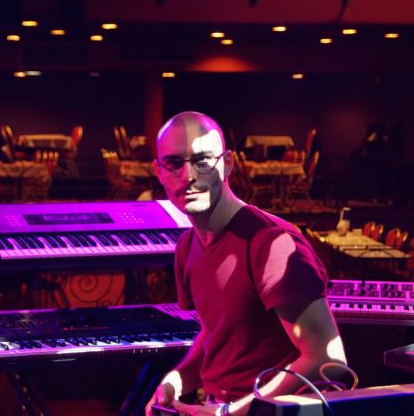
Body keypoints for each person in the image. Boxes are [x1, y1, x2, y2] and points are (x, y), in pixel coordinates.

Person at [145, 111, 346, 416]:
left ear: (227, 164)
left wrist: (232, 412)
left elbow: (327, 360)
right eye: (173, 163)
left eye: (202, 160)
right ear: (158, 171)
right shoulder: (187, 246)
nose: (188, 176)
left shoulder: (273, 244)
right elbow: (217, 333)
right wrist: (177, 380)